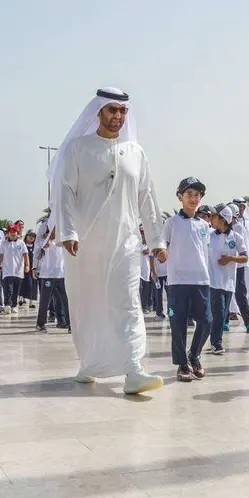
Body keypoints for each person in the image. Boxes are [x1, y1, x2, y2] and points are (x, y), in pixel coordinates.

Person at [50, 87, 165, 394]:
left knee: (127, 302)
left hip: (125, 244)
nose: (117, 116)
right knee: (88, 306)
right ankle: (90, 363)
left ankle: (134, 369)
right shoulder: (78, 148)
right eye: (112, 110)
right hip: (85, 245)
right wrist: (68, 233)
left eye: (123, 111)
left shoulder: (136, 153)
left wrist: (157, 241)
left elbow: (147, 199)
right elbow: (65, 192)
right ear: (98, 112)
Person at [163, 177, 213, 382]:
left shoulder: (203, 225)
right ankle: (182, 364)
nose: (194, 199)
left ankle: (194, 355)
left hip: (201, 280)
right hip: (177, 281)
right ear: (180, 197)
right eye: (189, 194)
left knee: (207, 321)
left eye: (197, 195)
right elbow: (163, 246)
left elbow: (203, 251)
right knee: (178, 325)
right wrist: (161, 254)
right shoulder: (171, 222)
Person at [208, 205, 248, 355]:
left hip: (229, 282)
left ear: (223, 219)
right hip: (213, 281)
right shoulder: (209, 235)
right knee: (218, 314)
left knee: (223, 314)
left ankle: (214, 341)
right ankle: (216, 344)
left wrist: (231, 258)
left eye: (214, 216)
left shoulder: (236, 237)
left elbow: (245, 257)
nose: (211, 219)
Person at [228, 197, 249, 328]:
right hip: (233, 261)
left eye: (241, 206)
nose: (239, 208)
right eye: (237, 206)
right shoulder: (228, 223)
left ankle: (238, 309)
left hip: (247, 260)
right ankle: (233, 311)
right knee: (233, 288)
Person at [33, 225, 70, 332]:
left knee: (66, 300)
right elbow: (44, 246)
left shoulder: (62, 241)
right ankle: (40, 323)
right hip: (47, 276)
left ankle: (69, 323)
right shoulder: (43, 242)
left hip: (61, 275)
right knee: (45, 301)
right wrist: (34, 268)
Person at [0, 223, 30, 313]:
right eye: (11, 232)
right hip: (7, 271)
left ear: (17, 233)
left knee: (16, 290)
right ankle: (8, 305)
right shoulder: (3, 243)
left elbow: (25, 255)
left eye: (14, 232)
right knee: (8, 289)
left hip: (18, 271)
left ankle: (14, 305)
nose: (13, 233)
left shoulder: (21, 243)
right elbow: (1, 255)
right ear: (8, 233)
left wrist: (27, 265)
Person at [20, 231, 38, 308]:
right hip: (24, 268)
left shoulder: (36, 246)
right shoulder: (23, 245)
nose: (32, 237)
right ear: (26, 236)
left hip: (34, 269)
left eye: (33, 236)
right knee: (24, 284)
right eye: (30, 235)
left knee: (33, 285)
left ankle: (31, 302)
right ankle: (21, 298)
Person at [138, 226, 153, 313]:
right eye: (142, 233)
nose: (143, 235)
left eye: (144, 234)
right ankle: (140, 307)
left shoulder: (150, 245)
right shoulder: (137, 244)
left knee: (146, 291)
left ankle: (144, 307)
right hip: (138, 271)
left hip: (146, 271)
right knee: (139, 289)